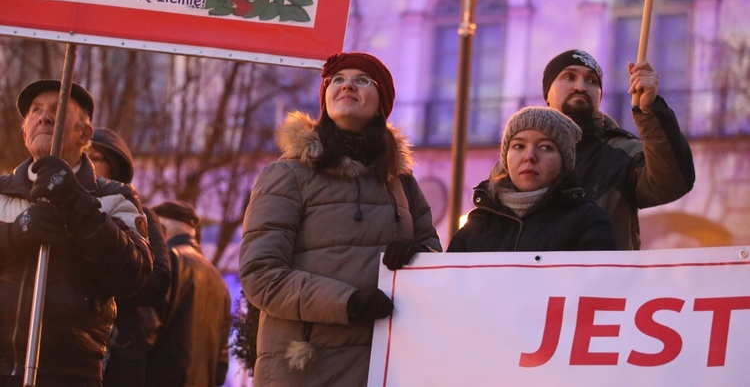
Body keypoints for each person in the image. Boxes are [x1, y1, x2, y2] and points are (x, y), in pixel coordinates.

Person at [239, 52, 442, 386]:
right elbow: (261, 276)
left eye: (362, 79)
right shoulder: (286, 175)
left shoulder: (402, 182)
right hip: (307, 369)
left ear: (381, 103)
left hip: (386, 363)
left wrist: (417, 255)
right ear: (326, 98)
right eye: (337, 79)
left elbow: (434, 259)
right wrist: (348, 303)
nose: (347, 84)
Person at [0, 80, 152, 386]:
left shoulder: (115, 197)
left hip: (71, 373)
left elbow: (133, 273)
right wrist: (16, 235)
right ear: (25, 132)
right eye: (36, 111)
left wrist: (75, 200)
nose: (44, 117)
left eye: (57, 110)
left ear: (84, 133)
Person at [541, 49, 695, 249]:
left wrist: (651, 111)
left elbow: (672, 182)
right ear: (547, 94)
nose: (581, 86)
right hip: (535, 280)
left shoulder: (624, 154)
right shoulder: (521, 156)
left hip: (609, 279)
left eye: (592, 81)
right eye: (569, 77)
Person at [449, 107, 617, 252]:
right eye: (519, 146)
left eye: (545, 147)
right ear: (506, 157)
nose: (529, 157)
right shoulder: (478, 223)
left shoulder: (588, 221)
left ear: (564, 160)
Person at [89, 128, 171, 387]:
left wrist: (101, 284)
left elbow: (157, 279)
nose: (86, 164)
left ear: (115, 169)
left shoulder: (140, 215)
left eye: (96, 158)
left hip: (119, 344)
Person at [146, 200, 231, 387]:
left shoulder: (165, 263)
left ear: (161, 230)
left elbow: (145, 332)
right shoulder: (219, 281)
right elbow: (221, 363)